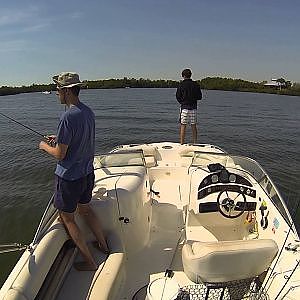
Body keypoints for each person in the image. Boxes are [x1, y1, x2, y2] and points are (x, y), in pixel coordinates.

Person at [39, 72, 109, 271]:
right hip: (87, 173)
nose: (56, 93)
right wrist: (58, 138)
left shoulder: (67, 116)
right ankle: (104, 245)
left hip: (69, 178)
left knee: (67, 218)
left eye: (58, 90)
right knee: (86, 209)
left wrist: (44, 146)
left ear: (67, 91)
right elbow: (81, 139)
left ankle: (90, 262)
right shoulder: (88, 112)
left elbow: (60, 154)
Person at [176, 68, 202, 144]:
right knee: (193, 126)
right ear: (190, 75)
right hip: (193, 107)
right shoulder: (196, 84)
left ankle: (182, 143)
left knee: (183, 126)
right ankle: (195, 143)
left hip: (184, 108)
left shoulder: (181, 85)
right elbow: (200, 97)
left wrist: (182, 102)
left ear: (183, 76)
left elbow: (178, 96)